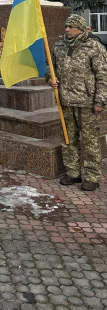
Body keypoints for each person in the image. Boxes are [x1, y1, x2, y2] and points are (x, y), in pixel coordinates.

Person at [47, 15, 107, 191]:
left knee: (90, 141)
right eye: (66, 26)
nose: (66, 29)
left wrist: (101, 101)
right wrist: (50, 79)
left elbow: (103, 76)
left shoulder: (94, 46)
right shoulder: (58, 46)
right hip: (65, 101)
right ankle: (73, 172)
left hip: (87, 103)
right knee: (68, 139)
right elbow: (49, 69)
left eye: (71, 27)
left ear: (80, 29)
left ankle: (92, 176)